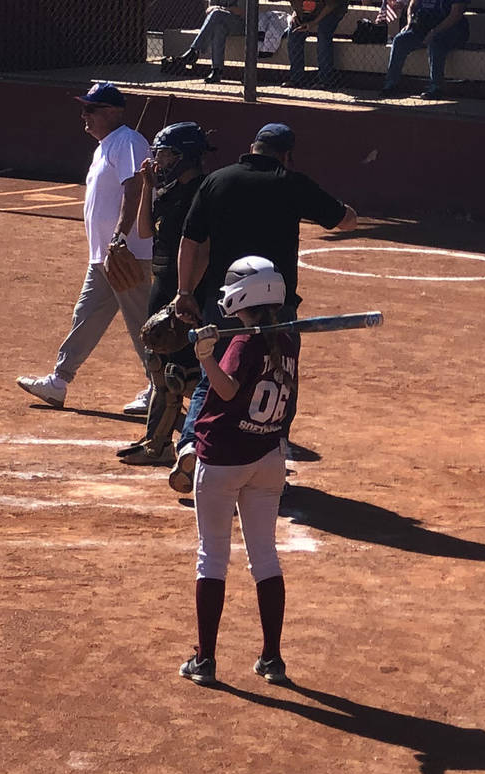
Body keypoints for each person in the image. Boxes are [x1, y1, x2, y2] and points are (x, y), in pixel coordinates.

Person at [168, 122, 357, 494]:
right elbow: (343, 219)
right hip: (275, 305)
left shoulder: (217, 181)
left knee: (213, 375)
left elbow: (191, 240)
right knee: (278, 374)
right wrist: (350, 211)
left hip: (224, 301)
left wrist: (184, 291)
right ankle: (271, 451)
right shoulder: (290, 182)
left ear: (252, 147)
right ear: (286, 154)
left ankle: (191, 443)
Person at [178, 257, 298, 685]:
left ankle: (205, 660)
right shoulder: (285, 340)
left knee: (212, 555)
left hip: (224, 458)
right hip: (268, 457)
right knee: (265, 555)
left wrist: (205, 356)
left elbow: (226, 390)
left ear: (243, 293)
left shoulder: (244, 342)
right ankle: (272, 658)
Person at [17, 82, 153, 415]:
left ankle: (160, 387)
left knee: (142, 324)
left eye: (90, 110)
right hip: (104, 256)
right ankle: (59, 382)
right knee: (85, 318)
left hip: (128, 252)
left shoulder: (129, 142)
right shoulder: (104, 146)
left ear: (111, 112)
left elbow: (135, 187)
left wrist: (121, 234)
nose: (84, 116)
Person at [117, 122, 213, 466]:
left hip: (184, 290)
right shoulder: (168, 190)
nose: (160, 160)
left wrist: (184, 295)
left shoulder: (202, 193)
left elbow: (203, 249)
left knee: (180, 373)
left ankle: (190, 444)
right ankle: (158, 443)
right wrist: (149, 188)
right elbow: (145, 230)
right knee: (160, 364)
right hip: (163, 283)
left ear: (186, 156)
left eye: (167, 154)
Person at [379, 0, 470, 100]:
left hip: (451, 30)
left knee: (436, 43)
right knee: (399, 40)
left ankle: (436, 87)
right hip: (423, 28)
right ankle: (390, 85)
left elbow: (456, 14)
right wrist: (410, 23)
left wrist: (434, 32)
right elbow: (412, 5)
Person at [163, 1, 245, 84]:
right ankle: (216, 71)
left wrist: (221, 9)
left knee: (216, 13)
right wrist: (217, 9)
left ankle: (194, 50)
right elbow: (208, 10)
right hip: (220, 23)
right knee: (218, 30)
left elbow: (240, 11)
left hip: (238, 24)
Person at [282, 0, 349, 88]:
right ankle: (296, 78)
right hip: (313, 9)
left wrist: (313, 23)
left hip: (333, 9)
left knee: (323, 32)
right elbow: (296, 4)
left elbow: (331, 5)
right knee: (294, 30)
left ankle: (326, 81)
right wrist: (297, 14)